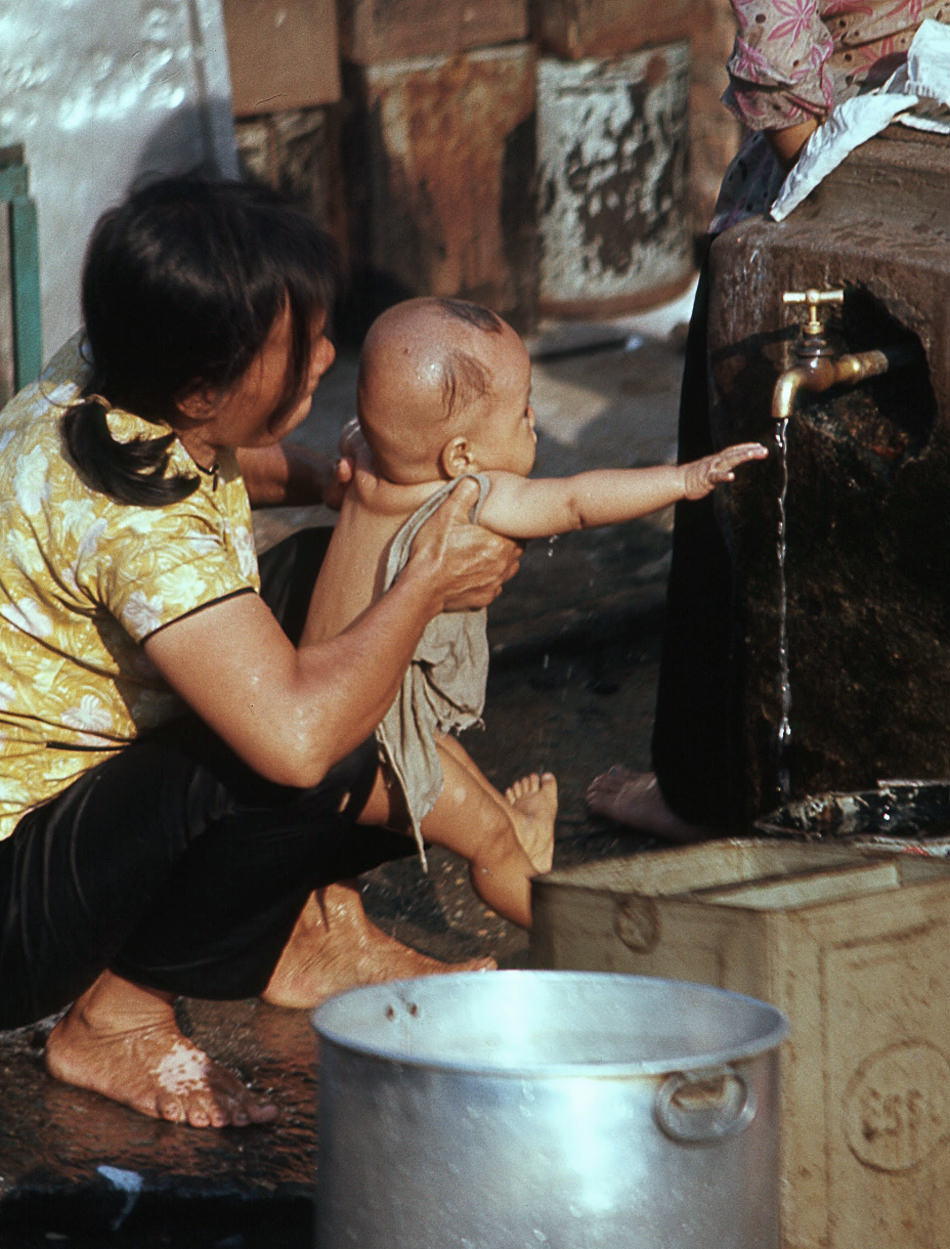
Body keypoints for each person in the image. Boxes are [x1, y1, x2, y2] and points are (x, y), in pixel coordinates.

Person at [0, 178, 522, 1129]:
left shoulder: (114, 372)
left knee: (342, 584)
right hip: (16, 897)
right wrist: (425, 582)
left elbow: (221, 457)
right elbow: (297, 742)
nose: (329, 354)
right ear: (204, 386)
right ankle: (114, 1018)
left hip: (76, 797)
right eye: (304, 345)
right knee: (315, 734)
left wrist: (324, 480)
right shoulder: (134, 527)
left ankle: (308, 927)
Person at [586, 0, 950, 838]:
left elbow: (784, 69)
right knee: (743, 495)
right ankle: (717, 785)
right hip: (841, 188)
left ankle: (706, 790)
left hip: (826, 196)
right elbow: (787, 82)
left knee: (731, 525)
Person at [305, 296, 768, 926]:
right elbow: (576, 502)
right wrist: (683, 480)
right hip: (366, 748)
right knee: (487, 843)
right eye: (521, 410)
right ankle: (571, 936)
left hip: (327, 707)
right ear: (460, 455)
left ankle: (516, 822)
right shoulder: (467, 494)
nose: (532, 420)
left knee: (460, 773)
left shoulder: (362, 453)